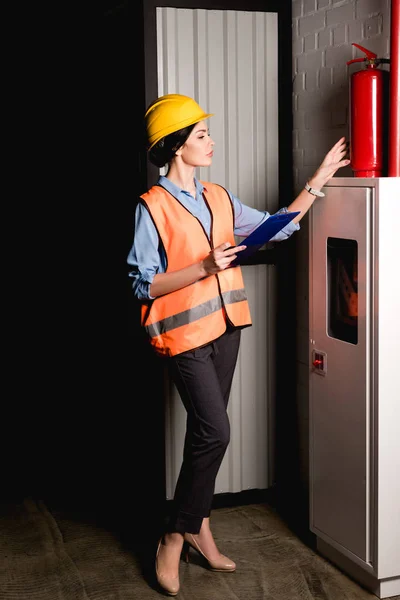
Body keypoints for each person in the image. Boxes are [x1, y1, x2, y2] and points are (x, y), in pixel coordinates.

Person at [127, 93, 349, 596]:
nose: (210, 141)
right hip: (184, 335)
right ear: (177, 145)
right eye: (201, 134)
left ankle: (198, 526)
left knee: (205, 434)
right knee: (216, 432)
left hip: (227, 328)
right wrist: (205, 266)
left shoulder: (219, 197)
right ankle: (172, 534)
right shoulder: (152, 207)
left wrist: (318, 181)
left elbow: (278, 227)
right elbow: (144, 285)